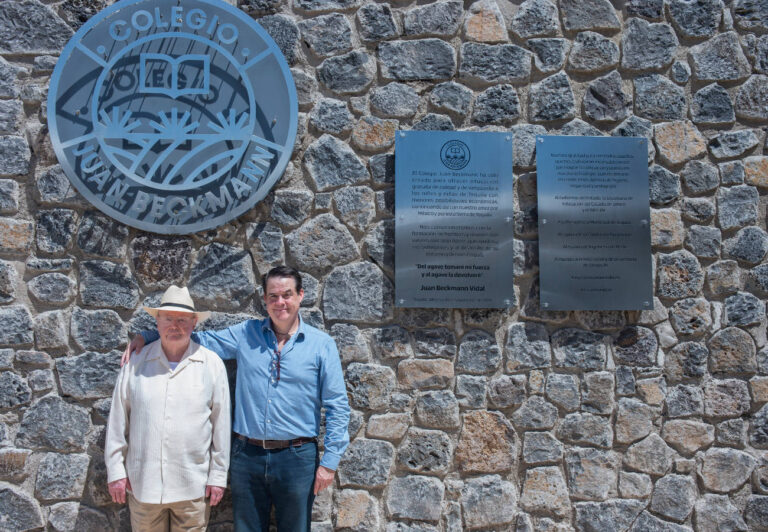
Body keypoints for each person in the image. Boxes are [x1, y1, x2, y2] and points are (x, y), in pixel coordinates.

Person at [123, 265, 350, 532]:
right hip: (247, 456)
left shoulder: (321, 345)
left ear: (300, 295)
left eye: (287, 295)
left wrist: (329, 462)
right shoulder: (246, 334)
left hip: (297, 457)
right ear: (264, 300)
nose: (280, 302)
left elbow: (337, 406)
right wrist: (148, 336)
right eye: (273, 296)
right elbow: (196, 338)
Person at [106, 285, 231, 531]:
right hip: (143, 486)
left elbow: (221, 425)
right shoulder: (136, 363)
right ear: (157, 322)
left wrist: (218, 477)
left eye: (182, 319)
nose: (175, 325)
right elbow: (118, 420)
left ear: (194, 323)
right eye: (168, 319)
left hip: (192, 487)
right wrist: (115, 471)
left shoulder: (211, 365)